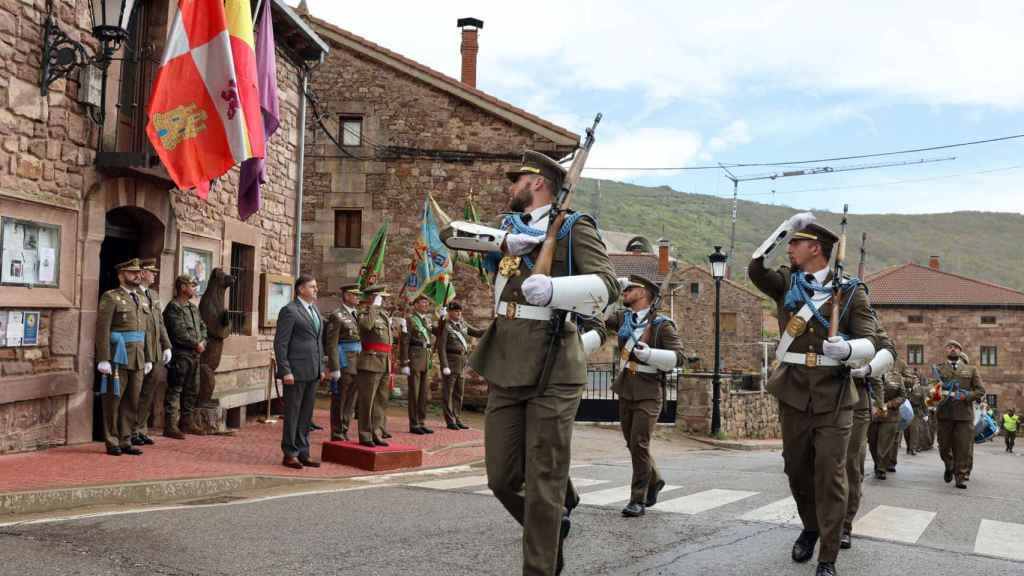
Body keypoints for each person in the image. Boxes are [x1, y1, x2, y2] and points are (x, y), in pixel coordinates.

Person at [442, 150, 618, 575]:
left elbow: (609, 286)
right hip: (506, 357)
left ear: (537, 183)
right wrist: (506, 243)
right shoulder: (508, 228)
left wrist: (553, 291)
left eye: (517, 179)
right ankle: (551, 521)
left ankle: (540, 565)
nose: (510, 187)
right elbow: (452, 234)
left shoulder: (576, 228)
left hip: (553, 360)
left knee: (544, 478)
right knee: (501, 478)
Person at [748, 213, 881, 576]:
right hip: (793, 390)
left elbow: (872, 340)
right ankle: (810, 525)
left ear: (815, 248)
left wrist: (849, 350)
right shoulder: (786, 282)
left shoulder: (851, 291)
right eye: (789, 242)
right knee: (795, 469)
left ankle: (828, 554)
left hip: (834, 395)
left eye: (795, 241)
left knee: (831, 473)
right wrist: (783, 228)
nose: (789, 247)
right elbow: (755, 268)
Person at [603, 275, 684, 517]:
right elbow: (602, 318)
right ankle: (655, 479)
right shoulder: (624, 318)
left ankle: (636, 499)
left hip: (649, 389)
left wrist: (650, 354)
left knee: (639, 442)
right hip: (626, 386)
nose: (625, 291)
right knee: (632, 442)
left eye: (630, 289)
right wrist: (610, 291)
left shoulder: (662, 325)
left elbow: (679, 357)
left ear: (644, 293)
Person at [841, 314, 896, 549]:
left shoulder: (864, 316)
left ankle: (844, 525)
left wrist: (879, 400)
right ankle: (814, 520)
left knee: (850, 462)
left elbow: (885, 352)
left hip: (855, 399)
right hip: (816, 396)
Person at [95, 258, 150, 457]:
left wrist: (149, 357)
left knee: (132, 400)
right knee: (113, 400)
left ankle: (126, 439)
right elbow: (102, 329)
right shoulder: (111, 297)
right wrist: (103, 358)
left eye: (139, 272)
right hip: (118, 356)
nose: (138, 275)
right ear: (121, 275)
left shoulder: (141, 299)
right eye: (132, 272)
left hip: (138, 356)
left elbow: (147, 331)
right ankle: (111, 440)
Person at [273, 274, 326, 469]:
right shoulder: (290, 311)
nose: (316, 290)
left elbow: (318, 342)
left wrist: (321, 367)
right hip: (295, 372)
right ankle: (290, 453)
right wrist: (285, 370)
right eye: (312, 287)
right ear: (301, 289)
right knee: (293, 414)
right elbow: (281, 342)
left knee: (306, 415)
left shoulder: (315, 311)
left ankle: (304, 451)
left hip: (312, 371)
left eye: (316, 286)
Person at [934, 340, 985, 489]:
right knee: (943, 447)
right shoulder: (939, 369)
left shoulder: (971, 369)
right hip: (945, 414)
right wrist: (935, 392)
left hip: (964, 415)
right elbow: (930, 388)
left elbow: (980, 390)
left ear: (960, 350)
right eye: (950, 347)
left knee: (963, 448)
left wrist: (966, 396)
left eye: (956, 347)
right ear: (946, 350)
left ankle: (960, 477)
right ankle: (949, 464)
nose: (953, 349)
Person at [132, 258, 172, 446]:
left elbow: (160, 323)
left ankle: (141, 428)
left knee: (149, 391)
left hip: (155, 350)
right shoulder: (133, 294)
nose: (154, 274)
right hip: (141, 349)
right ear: (142, 273)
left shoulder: (154, 295)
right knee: (135, 392)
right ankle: (129, 430)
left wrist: (167, 345)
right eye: (151, 271)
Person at [162, 274, 207, 439]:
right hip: (181, 355)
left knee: (192, 390)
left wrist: (202, 341)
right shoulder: (173, 307)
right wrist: (196, 343)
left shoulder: (192, 307)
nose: (195, 288)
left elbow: (203, 327)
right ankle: (170, 425)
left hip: (195, 355)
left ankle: (186, 422)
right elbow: (178, 332)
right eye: (192, 285)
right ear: (182, 287)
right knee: (175, 389)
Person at [323, 283, 363, 442]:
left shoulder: (357, 315)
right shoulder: (337, 315)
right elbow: (331, 343)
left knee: (351, 399)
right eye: (355, 295)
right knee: (340, 398)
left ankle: (345, 428)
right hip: (344, 361)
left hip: (357, 361)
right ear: (346, 296)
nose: (358, 297)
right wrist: (335, 367)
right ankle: (337, 431)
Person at [356, 285, 394, 447]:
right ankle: (365, 434)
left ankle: (377, 432)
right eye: (380, 297)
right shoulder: (364, 313)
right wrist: (373, 307)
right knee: (367, 401)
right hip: (370, 362)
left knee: (380, 401)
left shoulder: (383, 315)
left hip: (384, 362)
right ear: (372, 297)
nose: (383, 300)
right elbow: (366, 327)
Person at [437, 301, 485, 430]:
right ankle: (450, 420)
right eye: (456, 311)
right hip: (451, 362)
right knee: (448, 393)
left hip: (462, 362)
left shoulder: (463, 324)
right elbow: (441, 348)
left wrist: (494, 326)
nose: (459, 313)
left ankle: (457, 417)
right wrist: (444, 365)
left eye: (460, 311)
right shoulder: (445, 326)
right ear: (450, 312)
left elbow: (478, 332)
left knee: (459, 393)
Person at [400, 295, 437, 434]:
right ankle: (414, 423)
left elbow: (438, 332)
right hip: (414, 358)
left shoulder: (426, 319)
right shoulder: (410, 320)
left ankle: (421, 421)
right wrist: (404, 362)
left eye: (427, 303)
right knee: (414, 393)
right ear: (415, 305)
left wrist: (444, 319)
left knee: (423, 393)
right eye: (422, 302)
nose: (425, 305)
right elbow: (404, 341)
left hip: (425, 358)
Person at [867, 365, 905, 479]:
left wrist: (889, 405)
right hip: (873, 414)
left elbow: (902, 396)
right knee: (873, 443)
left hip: (890, 416)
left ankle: (881, 467)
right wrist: (873, 404)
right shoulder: (869, 372)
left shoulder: (897, 377)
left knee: (884, 443)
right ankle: (877, 463)